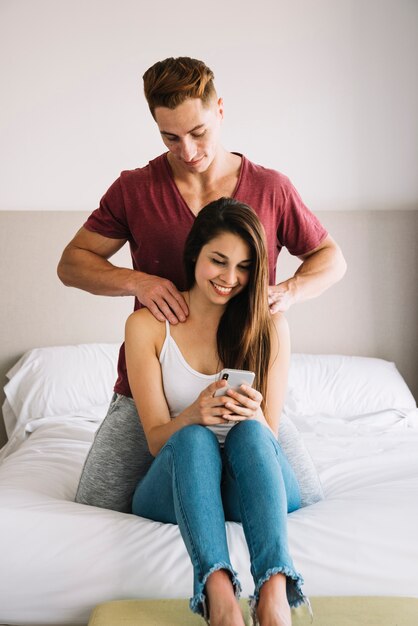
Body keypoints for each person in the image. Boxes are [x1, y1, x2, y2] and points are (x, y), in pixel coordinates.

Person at [57, 56, 346, 512]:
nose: (188, 151)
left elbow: (331, 259)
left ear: (220, 111)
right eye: (170, 137)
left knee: (305, 503)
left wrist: (288, 291)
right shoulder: (134, 190)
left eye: (198, 133)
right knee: (94, 506)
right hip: (150, 388)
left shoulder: (272, 188)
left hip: (242, 385)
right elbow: (72, 263)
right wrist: (141, 283)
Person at [126, 197, 304, 626]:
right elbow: (154, 440)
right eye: (218, 261)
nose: (229, 278)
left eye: (244, 267)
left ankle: (274, 595)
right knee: (192, 437)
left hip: (250, 483)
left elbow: (269, 436)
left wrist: (256, 415)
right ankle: (220, 598)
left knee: (251, 433)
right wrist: (193, 413)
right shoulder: (147, 326)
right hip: (181, 479)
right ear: (194, 255)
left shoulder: (270, 326)